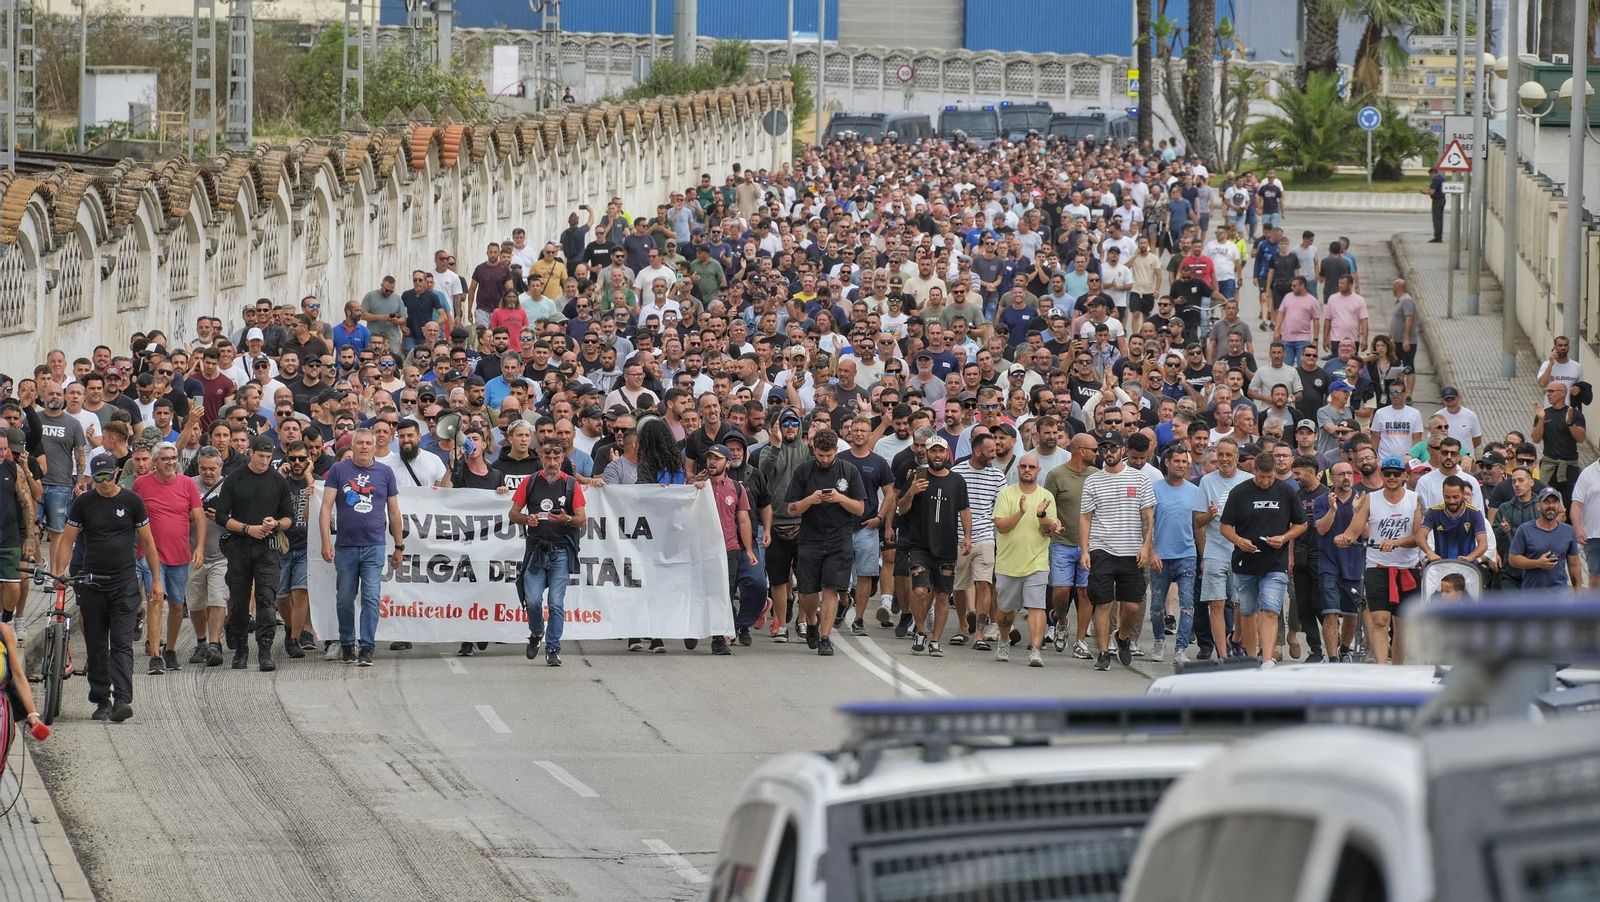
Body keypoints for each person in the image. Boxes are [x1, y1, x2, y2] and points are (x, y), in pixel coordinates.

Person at [52, 453, 162, 723]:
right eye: (96, 477)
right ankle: (101, 699)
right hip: (92, 582)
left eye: (106, 476)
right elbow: (67, 540)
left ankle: (123, 699)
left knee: (122, 643)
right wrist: (59, 571)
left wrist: (157, 580)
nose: (102, 482)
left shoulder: (132, 501)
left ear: (116, 474)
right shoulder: (83, 502)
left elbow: (148, 542)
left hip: (124, 582)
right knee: (97, 643)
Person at [318, 429, 403, 667]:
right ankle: (347, 642)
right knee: (344, 598)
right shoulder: (338, 470)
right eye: (360, 443)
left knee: (371, 597)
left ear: (375, 447)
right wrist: (326, 540)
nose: (364, 447)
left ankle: (367, 647)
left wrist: (399, 545)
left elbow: (394, 512)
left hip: (374, 545)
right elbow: (326, 507)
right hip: (345, 546)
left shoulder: (385, 473)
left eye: (368, 443)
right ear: (352, 446)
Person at [210, 435, 295, 671]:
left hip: (267, 548)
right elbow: (221, 516)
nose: (264, 461)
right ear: (251, 453)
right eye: (260, 456)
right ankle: (241, 650)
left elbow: (290, 518)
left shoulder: (278, 482)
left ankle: (265, 650)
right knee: (238, 602)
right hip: (239, 545)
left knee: (266, 600)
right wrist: (248, 528)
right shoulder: (235, 479)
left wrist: (275, 524)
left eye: (269, 457)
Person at [1219, 446, 1305, 665]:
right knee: (1247, 611)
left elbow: (1301, 524)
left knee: (1270, 608)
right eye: (1262, 477)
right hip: (1245, 560)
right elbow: (1225, 526)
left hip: (1275, 561)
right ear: (1254, 471)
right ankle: (1250, 655)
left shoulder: (1286, 492)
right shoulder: (1240, 492)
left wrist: (1285, 537)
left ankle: (1266, 657)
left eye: (1270, 477)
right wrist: (1239, 541)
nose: (1266, 481)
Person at [785, 428, 867, 657]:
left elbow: (860, 508)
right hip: (810, 537)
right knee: (808, 592)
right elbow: (791, 509)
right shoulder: (803, 471)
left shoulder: (848, 471)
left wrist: (840, 498)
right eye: (821, 455)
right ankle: (811, 622)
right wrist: (810, 500)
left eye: (829, 455)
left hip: (839, 538)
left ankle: (825, 637)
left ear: (835, 452)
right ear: (814, 451)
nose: (825, 459)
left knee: (830, 587)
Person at [1078, 431, 1155, 671]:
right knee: (1103, 603)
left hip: (1132, 550)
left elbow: (1148, 516)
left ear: (1122, 449)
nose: (1108, 452)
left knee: (1131, 606)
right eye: (1104, 448)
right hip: (1102, 548)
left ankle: (1122, 637)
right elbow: (1085, 518)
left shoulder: (1139, 479)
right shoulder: (1093, 480)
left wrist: (1146, 546)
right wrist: (1085, 550)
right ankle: (1102, 651)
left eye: (1113, 448)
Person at [1337, 456, 1423, 665]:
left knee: (1402, 625)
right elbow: (1354, 530)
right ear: (1381, 474)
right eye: (1387, 473)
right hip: (1378, 566)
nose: (1391, 477)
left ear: (1404, 475)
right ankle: (1382, 668)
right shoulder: (1370, 499)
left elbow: (1419, 537)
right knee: (1380, 620)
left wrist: (1397, 542)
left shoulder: (1415, 499)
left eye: (1396, 473)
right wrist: (1344, 538)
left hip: (1407, 567)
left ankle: (1397, 668)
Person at [509, 439, 586, 666]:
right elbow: (513, 513)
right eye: (547, 458)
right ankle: (536, 632)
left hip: (560, 551)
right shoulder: (530, 482)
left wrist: (567, 519)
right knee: (532, 600)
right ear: (541, 458)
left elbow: (582, 518)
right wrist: (527, 518)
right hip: (536, 551)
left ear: (562, 458)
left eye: (556, 458)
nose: (552, 462)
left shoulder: (571, 485)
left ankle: (553, 648)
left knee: (555, 603)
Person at [131, 441, 204, 675]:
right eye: (165, 458)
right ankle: (155, 654)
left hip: (180, 554)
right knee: (155, 600)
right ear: (155, 462)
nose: (170, 462)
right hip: (151, 555)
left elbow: (199, 518)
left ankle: (170, 649)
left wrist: (199, 547)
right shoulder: (141, 484)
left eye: (173, 458)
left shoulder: (187, 485)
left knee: (175, 605)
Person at [895, 434, 971, 656]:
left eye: (941, 451)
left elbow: (964, 510)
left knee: (941, 594)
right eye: (933, 451)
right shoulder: (917, 476)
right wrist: (912, 491)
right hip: (920, 544)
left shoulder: (957, 481)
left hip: (946, 546)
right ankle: (920, 630)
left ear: (947, 453)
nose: (937, 455)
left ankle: (936, 640)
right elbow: (902, 507)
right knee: (919, 590)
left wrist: (967, 536)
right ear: (926, 453)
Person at [991, 452, 1058, 667]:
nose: (1027, 470)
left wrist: (1041, 516)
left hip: (1037, 562)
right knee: (1005, 609)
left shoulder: (1046, 496)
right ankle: (1004, 640)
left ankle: (1036, 650)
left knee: (1037, 606)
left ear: (1038, 470)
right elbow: (1001, 527)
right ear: (1018, 469)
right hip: (1008, 563)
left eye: (1031, 467)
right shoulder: (1006, 494)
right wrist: (1020, 513)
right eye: (1023, 466)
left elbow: (1049, 531)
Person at [1043, 432, 1098, 658]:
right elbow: (1046, 505)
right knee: (1061, 591)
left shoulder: (1097, 475)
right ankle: (1062, 621)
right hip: (1062, 543)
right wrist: (1051, 523)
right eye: (1094, 450)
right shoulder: (1056, 475)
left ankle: (1081, 641)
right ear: (1081, 450)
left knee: (1085, 593)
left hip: (1089, 545)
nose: (1098, 453)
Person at [1148, 444, 1204, 664]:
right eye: (1177, 461)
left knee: (1188, 604)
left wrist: (1203, 556)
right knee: (1156, 607)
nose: (1181, 465)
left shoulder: (1194, 491)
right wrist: (1150, 551)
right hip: (1160, 555)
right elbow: (1147, 523)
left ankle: (1181, 649)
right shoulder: (1155, 488)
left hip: (1187, 555)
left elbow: (1198, 526)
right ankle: (1159, 639)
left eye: (1184, 462)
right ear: (1167, 463)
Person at [1195, 438, 1250, 659]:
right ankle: (1222, 655)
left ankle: (1235, 639)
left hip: (1241, 550)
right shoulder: (1207, 481)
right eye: (1221, 454)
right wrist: (1210, 514)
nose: (1224, 459)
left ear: (1237, 457)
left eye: (1229, 455)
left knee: (1242, 603)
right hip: (1215, 549)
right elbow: (1198, 521)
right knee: (1216, 603)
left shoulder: (1249, 480)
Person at [700, 444, 753, 656]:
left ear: (727, 463)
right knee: (701, 591)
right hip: (702, 548)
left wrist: (748, 549)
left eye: (717, 458)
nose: (712, 462)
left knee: (725, 593)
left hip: (729, 549)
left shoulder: (737, 488)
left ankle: (718, 639)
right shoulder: (698, 485)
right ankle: (694, 629)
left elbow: (743, 520)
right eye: (709, 458)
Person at [186, 446, 229, 666]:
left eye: (212, 468)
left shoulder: (230, 485)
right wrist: (195, 517)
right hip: (192, 554)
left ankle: (214, 644)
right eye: (203, 468)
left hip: (221, 554)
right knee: (195, 602)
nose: (208, 473)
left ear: (220, 467)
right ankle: (201, 641)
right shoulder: (188, 484)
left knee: (217, 598)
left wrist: (222, 517)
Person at [1509, 487, 1582, 590]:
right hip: (1532, 595)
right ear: (1538, 506)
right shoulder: (1525, 530)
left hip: (1559, 595)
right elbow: (1513, 559)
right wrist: (1537, 563)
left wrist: (1578, 595)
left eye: (1554, 502)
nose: (1551, 506)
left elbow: (1574, 564)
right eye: (1546, 502)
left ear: (1559, 506)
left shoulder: (1568, 531)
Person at [1533, 380, 1585, 505]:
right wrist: (1541, 419)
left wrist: (1570, 423)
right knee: (1545, 500)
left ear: (1562, 393)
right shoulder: (1545, 413)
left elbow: (1581, 438)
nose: (1548, 394)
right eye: (1547, 392)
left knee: (1570, 502)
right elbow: (1536, 438)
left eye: (1551, 391)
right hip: (1549, 465)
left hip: (1569, 467)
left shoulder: (1574, 414)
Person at [1420, 475, 1489, 566]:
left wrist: (1470, 558)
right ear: (1443, 494)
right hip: (1441, 566)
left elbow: (1483, 544)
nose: (1451, 501)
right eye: (1447, 497)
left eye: (1455, 497)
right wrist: (1429, 552)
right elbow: (1420, 536)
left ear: (1463, 494)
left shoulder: (1474, 513)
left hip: (1467, 567)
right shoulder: (1434, 512)